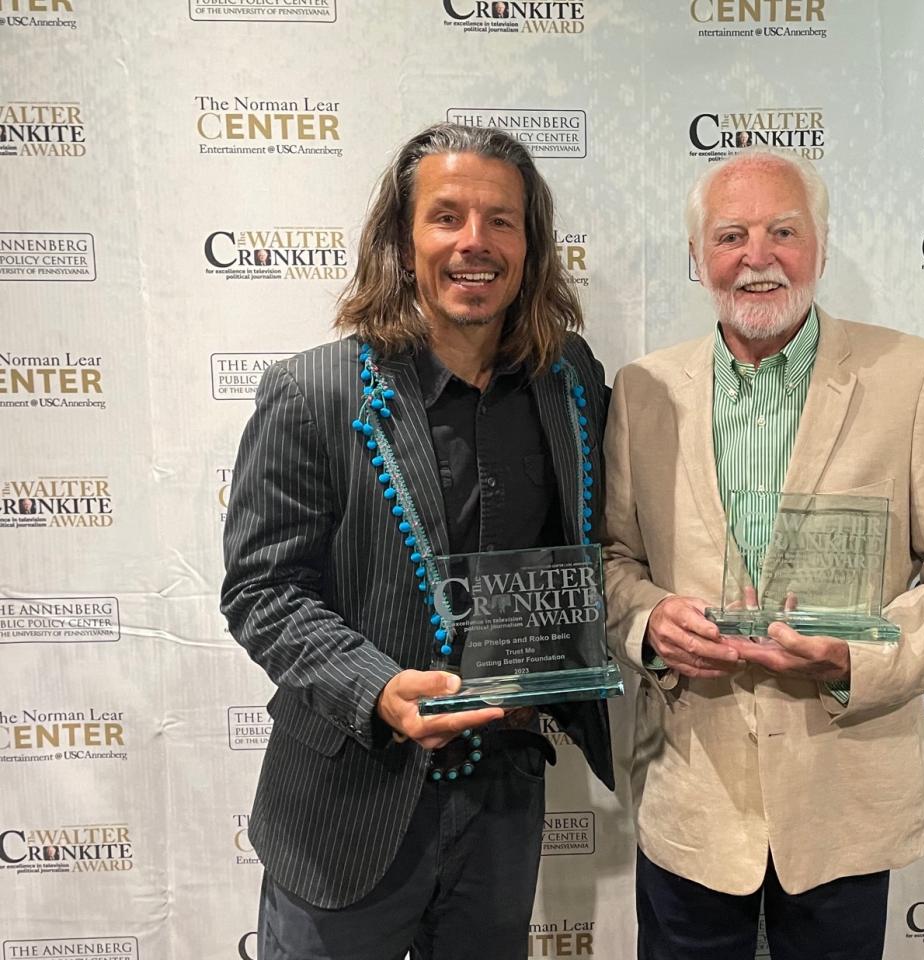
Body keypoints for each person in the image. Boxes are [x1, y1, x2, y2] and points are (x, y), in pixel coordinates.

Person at [602, 150, 924, 960]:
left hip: (847, 803)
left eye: (783, 231)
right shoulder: (643, 389)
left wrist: (857, 659)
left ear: (821, 248)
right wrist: (652, 622)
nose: (758, 257)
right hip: (694, 802)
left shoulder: (912, 378)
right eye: (731, 235)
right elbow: (614, 560)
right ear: (698, 259)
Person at [221, 122, 613, 960]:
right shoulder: (311, 393)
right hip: (345, 805)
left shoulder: (569, 378)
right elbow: (261, 592)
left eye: (501, 220)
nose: (475, 242)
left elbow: (596, 545)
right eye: (447, 217)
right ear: (403, 241)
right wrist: (378, 689)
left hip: (501, 807)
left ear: (530, 244)